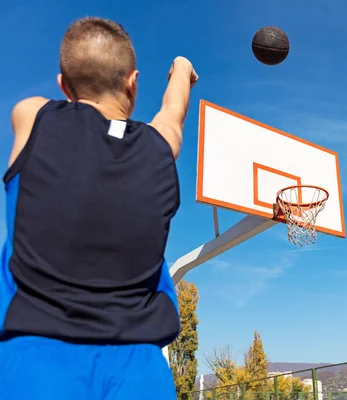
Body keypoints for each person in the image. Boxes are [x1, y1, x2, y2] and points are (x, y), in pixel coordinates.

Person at [0, 16, 197, 399]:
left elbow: (57, 108)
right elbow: (173, 113)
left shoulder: (31, 116)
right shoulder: (159, 147)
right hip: (139, 371)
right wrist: (182, 68)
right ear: (133, 82)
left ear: (63, 85)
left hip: (34, 361)